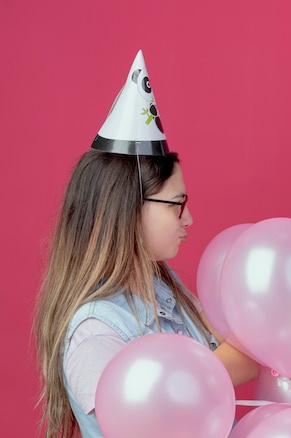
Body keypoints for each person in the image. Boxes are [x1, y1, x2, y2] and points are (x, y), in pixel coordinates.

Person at [34, 51, 258, 438]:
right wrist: (226, 361)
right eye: (176, 205)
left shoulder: (163, 286)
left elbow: (247, 356)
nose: (188, 218)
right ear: (129, 209)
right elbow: (159, 416)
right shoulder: (93, 332)